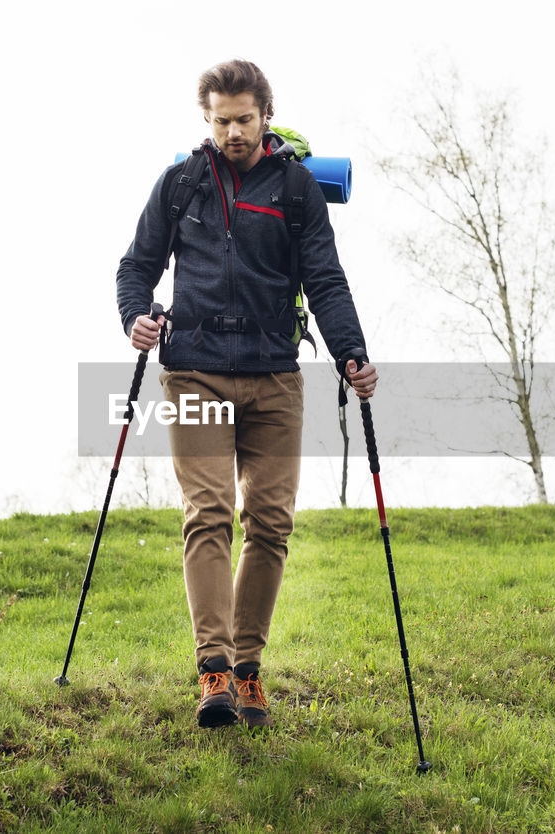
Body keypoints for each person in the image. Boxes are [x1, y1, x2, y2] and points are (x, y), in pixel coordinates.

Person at [116, 59, 377, 729]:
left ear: (265, 114)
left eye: (243, 119)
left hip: (274, 374)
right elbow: (137, 266)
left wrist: (351, 351)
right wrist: (135, 315)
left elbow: (326, 279)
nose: (232, 131)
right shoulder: (180, 186)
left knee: (270, 521)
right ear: (207, 121)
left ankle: (249, 669)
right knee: (209, 512)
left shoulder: (294, 189)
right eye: (220, 120)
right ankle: (214, 669)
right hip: (194, 368)